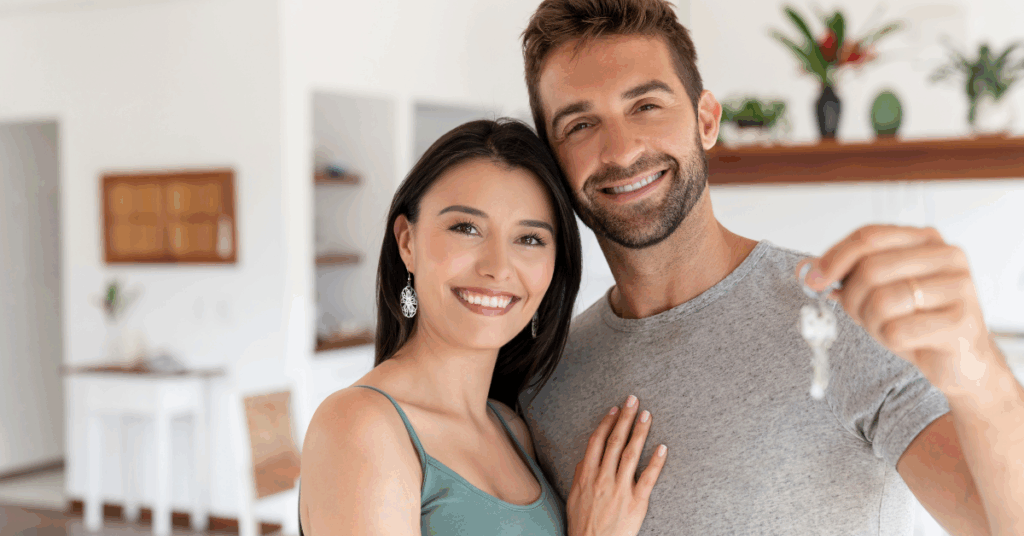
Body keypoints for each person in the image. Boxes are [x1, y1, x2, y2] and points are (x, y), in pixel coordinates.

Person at [518, 0, 1024, 534]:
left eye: (645, 105)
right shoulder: (546, 383)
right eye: (579, 123)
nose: (620, 151)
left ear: (706, 119)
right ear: (554, 159)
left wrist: (981, 375)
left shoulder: (840, 318)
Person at [298, 118, 668, 535]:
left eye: (529, 239)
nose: (497, 268)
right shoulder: (360, 427)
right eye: (466, 228)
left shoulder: (511, 429)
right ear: (407, 242)